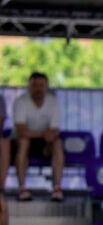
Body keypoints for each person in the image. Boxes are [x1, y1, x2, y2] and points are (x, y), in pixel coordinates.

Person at [13, 71, 65, 202]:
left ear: (47, 87)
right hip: (22, 143)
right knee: (24, 141)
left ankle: (57, 187)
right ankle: (22, 187)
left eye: (41, 85)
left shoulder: (53, 102)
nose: (38, 88)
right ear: (29, 87)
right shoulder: (21, 102)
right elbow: (21, 130)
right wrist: (42, 133)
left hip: (45, 143)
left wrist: (47, 135)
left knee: (57, 143)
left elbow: (54, 130)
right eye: (35, 85)